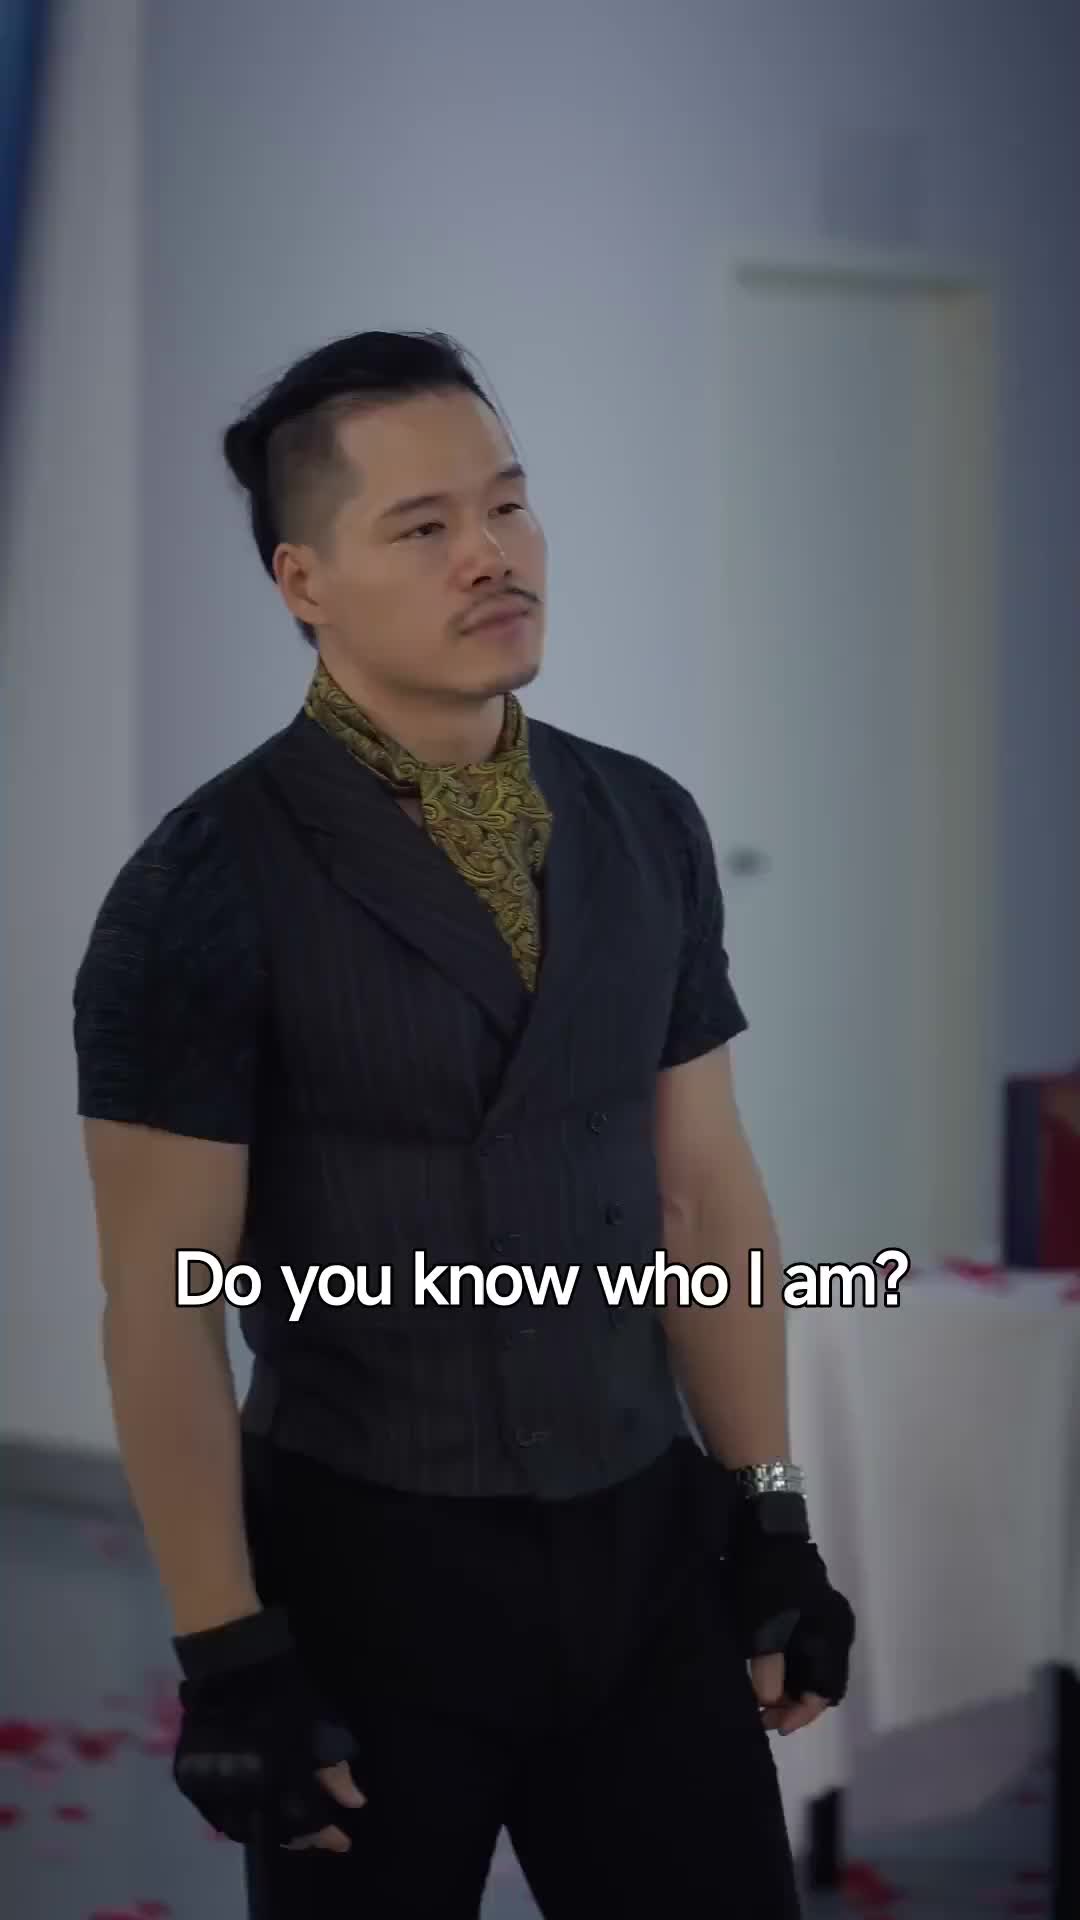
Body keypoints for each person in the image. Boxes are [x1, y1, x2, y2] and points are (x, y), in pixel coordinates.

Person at [73, 329, 854, 1918]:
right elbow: (161, 1303)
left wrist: (768, 1504)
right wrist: (226, 1646)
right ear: (303, 580)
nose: (492, 553)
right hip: (370, 1580)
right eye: (424, 526)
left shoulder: (645, 823)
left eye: (506, 503)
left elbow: (702, 1193)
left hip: (646, 1559)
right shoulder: (202, 885)